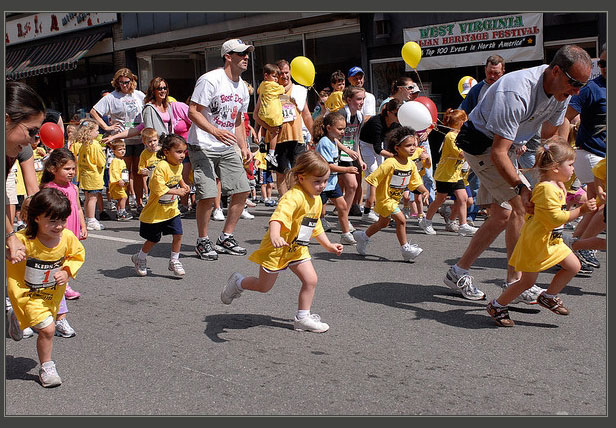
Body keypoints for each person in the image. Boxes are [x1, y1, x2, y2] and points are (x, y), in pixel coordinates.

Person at [445, 44, 592, 301]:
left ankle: (457, 272)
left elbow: (550, 136)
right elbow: (498, 152)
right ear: (556, 71)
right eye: (574, 84)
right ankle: (515, 282)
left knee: (502, 215)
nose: (577, 91)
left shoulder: (563, 90)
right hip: (482, 146)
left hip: (506, 147)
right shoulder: (517, 91)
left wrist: (561, 175)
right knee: (520, 207)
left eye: (582, 86)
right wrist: (523, 188)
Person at [222, 151, 343, 333]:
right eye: (317, 181)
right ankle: (238, 282)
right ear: (301, 178)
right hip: (277, 249)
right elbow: (277, 218)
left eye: (325, 181)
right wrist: (275, 235)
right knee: (263, 287)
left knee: (311, 280)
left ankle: (302, 318)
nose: (322, 186)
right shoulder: (293, 197)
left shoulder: (317, 199)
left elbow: (314, 225)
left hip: (297, 249)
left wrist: (328, 245)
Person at [486, 137, 597, 326]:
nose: (573, 169)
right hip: (536, 242)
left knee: (574, 266)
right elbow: (555, 218)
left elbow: (557, 206)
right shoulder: (547, 188)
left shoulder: (557, 184)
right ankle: (497, 305)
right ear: (555, 167)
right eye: (570, 165)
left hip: (552, 240)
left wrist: (581, 199)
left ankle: (549, 296)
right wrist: (581, 211)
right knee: (526, 282)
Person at [6, 187, 85, 387]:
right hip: (26, 294)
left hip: (51, 295)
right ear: (36, 218)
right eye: (52, 221)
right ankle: (47, 367)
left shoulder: (67, 237)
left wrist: (66, 271)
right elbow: (7, 250)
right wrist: (9, 253)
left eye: (62, 220)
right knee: (48, 330)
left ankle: (16, 318)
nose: (58, 226)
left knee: (45, 325)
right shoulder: (23, 240)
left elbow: (77, 255)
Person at [186, 39, 254, 261]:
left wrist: (243, 146)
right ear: (228, 56)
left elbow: (238, 119)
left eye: (247, 54)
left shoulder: (242, 87)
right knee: (207, 194)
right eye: (241, 54)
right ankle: (202, 240)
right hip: (202, 145)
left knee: (242, 189)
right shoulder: (210, 80)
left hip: (226, 145)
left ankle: (226, 237)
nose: (246, 57)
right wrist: (215, 131)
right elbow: (193, 111)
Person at [353, 127, 428, 262]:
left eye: (414, 145)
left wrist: (425, 191)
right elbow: (373, 179)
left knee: (383, 223)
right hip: (385, 199)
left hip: (394, 200)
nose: (412, 148)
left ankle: (363, 236)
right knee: (401, 220)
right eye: (408, 145)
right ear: (397, 148)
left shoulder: (411, 165)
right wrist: (372, 197)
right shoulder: (390, 163)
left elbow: (416, 182)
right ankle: (405, 249)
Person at [564, 45, 606, 270]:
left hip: (604, 157)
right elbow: (567, 116)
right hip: (590, 152)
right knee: (603, 204)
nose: (604, 67)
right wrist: (562, 150)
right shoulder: (591, 88)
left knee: (595, 205)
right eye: (602, 63)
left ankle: (574, 245)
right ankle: (583, 246)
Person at [39, 148, 86, 333]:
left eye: (73, 168)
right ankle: (59, 305)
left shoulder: (73, 187)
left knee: (68, 259)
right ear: (53, 169)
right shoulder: (49, 189)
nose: (71, 172)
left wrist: (83, 225)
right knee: (56, 263)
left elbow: (78, 209)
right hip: (55, 234)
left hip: (70, 233)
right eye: (67, 169)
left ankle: (64, 285)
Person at [253, 58, 314, 197]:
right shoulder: (267, 90)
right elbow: (256, 115)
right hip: (277, 140)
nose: (285, 76)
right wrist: (266, 128)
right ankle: (284, 203)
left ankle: (296, 202)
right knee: (281, 174)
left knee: (299, 173)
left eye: (287, 72)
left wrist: (314, 136)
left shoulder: (298, 91)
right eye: (281, 73)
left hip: (296, 138)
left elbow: (306, 115)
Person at [132, 134, 190, 277]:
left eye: (184, 152)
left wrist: (184, 185)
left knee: (178, 234)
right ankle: (140, 257)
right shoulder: (161, 167)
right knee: (153, 239)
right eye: (178, 152)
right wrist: (177, 191)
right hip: (156, 212)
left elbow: (178, 176)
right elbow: (158, 188)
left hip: (171, 210)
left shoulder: (179, 165)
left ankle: (174, 260)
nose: (182, 155)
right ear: (166, 152)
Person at [459, 55, 506, 223]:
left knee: (499, 178)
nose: (492, 76)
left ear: (503, 71)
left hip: (502, 140)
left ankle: (494, 212)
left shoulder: (507, 88)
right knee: (476, 179)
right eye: (489, 72)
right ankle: (470, 215)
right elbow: (462, 112)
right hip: (479, 141)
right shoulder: (477, 90)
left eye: (496, 73)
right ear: (485, 70)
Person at [91, 68, 146, 211]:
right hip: (121, 139)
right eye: (121, 82)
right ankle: (124, 205)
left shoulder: (139, 95)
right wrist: (106, 127)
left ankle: (139, 202)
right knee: (124, 172)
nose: (124, 85)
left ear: (132, 81)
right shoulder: (112, 97)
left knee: (138, 172)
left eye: (127, 82)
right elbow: (94, 111)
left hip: (139, 138)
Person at [419, 108, 477, 236]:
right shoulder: (450, 136)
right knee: (440, 199)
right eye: (465, 120)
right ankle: (426, 221)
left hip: (456, 174)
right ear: (460, 122)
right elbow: (460, 154)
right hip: (445, 174)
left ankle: (463, 225)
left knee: (463, 198)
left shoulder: (460, 135)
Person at [314, 111, 357, 245]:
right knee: (316, 213)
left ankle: (345, 234)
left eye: (344, 129)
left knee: (342, 207)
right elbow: (328, 166)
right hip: (321, 183)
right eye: (339, 129)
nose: (343, 132)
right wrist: (347, 170)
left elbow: (337, 143)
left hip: (332, 183)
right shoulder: (324, 143)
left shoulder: (333, 140)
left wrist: (348, 150)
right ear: (328, 128)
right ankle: (300, 234)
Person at [358, 98, 402, 223]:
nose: (398, 117)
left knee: (382, 177)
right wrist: (395, 156)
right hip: (366, 145)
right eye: (396, 114)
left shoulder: (395, 124)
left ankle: (377, 210)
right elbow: (377, 149)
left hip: (378, 146)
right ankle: (368, 210)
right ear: (389, 112)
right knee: (374, 175)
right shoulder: (376, 122)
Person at [337, 86, 367, 220]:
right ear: (349, 100)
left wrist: (360, 160)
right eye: (359, 99)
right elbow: (332, 138)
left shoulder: (360, 117)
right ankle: (339, 216)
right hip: (337, 155)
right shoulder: (341, 114)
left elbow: (356, 140)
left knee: (353, 186)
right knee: (348, 186)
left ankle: (343, 216)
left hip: (350, 155)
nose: (362, 102)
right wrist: (346, 150)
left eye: (363, 99)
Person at [76, 120, 107, 231]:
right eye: (96, 130)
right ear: (89, 132)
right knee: (93, 198)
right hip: (93, 176)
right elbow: (101, 162)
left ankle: (87, 218)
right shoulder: (95, 145)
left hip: (85, 175)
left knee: (87, 198)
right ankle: (91, 219)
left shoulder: (83, 145)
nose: (98, 133)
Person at [257, 63, 285, 168]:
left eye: (277, 77)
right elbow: (283, 90)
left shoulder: (262, 85)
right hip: (273, 114)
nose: (276, 79)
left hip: (262, 112)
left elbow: (258, 91)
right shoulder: (274, 86)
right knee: (275, 132)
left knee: (264, 125)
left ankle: (262, 139)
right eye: (274, 76)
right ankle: (271, 154)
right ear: (266, 75)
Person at [108, 140, 133, 221]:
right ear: (114, 151)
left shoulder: (121, 160)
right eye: (119, 149)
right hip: (117, 184)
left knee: (120, 198)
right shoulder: (115, 161)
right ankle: (122, 212)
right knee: (124, 197)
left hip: (122, 183)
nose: (122, 151)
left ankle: (119, 212)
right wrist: (118, 180)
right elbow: (114, 172)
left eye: (124, 149)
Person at [137, 128, 161, 205]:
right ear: (144, 142)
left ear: (158, 139)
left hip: (163, 179)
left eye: (155, 140)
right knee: (153, 199)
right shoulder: (144, 154)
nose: (153, 143)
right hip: (151, 180)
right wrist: (142, 170)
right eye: (149, 141)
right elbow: (141, 167)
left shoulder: (162, 151)